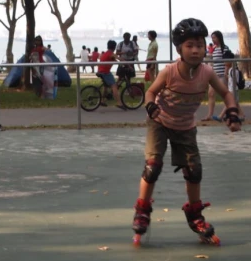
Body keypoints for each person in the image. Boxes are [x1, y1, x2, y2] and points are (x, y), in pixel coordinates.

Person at [131, 18, 241, 246]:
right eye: (190, 45)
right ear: (179, 48)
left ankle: (195, 216)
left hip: (185, 127)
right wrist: (151, 106)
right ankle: (142, 209)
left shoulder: (207, 73)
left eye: (200, 45)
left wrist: (231, 111)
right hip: (159, 122)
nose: (195, 50)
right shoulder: (169, 72)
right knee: (153, 167)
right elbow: (150, 92)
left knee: (194, 170)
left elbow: (227, 94)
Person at [202, 30, 231, 121]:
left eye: (214, 38)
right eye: (212, 38)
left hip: (222, 75)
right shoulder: (214, 49)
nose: (213, 40)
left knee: (225, 95)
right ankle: (209, 115)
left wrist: (226, 73)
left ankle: (225, 114)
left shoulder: (225, 48)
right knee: (211, 94)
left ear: (219, 38)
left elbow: (227, 62)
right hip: (215, 75)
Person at [97, 40, 125, 110]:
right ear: (114, 47)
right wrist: (127, 63)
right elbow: (120, 58)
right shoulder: (111, 53)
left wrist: (118, 62)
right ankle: (119, 103)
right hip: (105, 72)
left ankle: (102, 100)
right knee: (114, 86)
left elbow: (114, 60)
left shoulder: (107, 53)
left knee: (106, 86)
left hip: (101, 71)